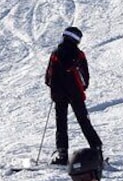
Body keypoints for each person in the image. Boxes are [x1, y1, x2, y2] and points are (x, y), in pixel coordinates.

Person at [44, 27, 103, 165]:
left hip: (59, 95)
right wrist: (80, 87)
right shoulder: (79, 55)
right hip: (76, 94)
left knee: (61, 123)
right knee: (84, 122)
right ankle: (97, 150)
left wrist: (55, 88)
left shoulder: (55, 54)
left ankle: (62, 154)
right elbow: (84, 78)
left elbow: (49, 77)